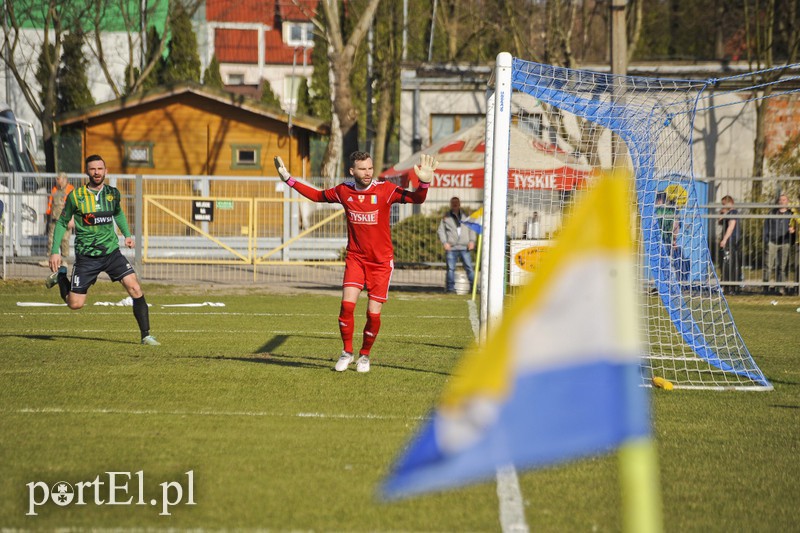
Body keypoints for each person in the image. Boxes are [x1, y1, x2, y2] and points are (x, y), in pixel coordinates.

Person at [274, 151, 436, 372]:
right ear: (352, 171)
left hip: (381, 262)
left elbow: (416, 199)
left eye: (370, 168)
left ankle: (365, 356)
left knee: (372, 313)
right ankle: (347, 352)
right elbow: (316, 195)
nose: (368, 172)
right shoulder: (344, 190)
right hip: (356, 259)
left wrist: (424, 183)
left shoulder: (385, 190)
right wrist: (288, 180)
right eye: (363, 169)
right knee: (346, 306)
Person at [46, 154, 159, 345]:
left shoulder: (112, 194)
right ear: (87, 172)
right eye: (93, 169)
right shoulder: (76, 196)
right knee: (75, 304)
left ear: (105, 171)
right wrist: (55, 251)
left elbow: (118, 213)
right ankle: (61, 277)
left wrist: (127, 235)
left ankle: (146, 335)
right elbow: (62, 222)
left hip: (112, 253)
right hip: (87, 257)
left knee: (135, 287)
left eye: (100, 169)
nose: (96, 172)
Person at [437, 196, 476, 293]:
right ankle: (450, 289)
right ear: (450, 204)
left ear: (459, 204)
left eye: (456, 203)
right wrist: (445, 242)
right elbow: (441, 230)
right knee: (450, 269)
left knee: (469, 268)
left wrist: (472, 241)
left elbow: (472, 229)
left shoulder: (466, 216)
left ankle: (474, 288)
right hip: (451, 247)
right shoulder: (446, 217)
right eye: (453, 203)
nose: (455, 204)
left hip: (465, 247)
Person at [762, 194, 796, 295]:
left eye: (784, 200)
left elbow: (795, 227)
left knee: (783, 267)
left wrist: (792, 235)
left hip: (785, 243)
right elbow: (766, 227)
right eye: (780, 200)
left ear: (787, 201)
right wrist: (767, 240)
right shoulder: (772, 213)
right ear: (778, 202)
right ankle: (766, 288)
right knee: (768, 265)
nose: (782, 201)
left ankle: (781, 288)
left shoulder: (791, 214)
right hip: (772, 242)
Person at [40, 172, 75, 267]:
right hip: (54, 219)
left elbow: (74, 206)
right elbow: (50, 203)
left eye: (58, 178)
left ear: (64, 179)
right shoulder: (54, 189)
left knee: (64, 240)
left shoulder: (70, 190)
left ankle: (64, 260)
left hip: (65, 220)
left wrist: (72, 218)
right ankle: (50, 259)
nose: (57, 180)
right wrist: (48, 214)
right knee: (51, 240)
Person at [655, 191, 688, 283]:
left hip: (656, 240)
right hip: (668, 240)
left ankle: (661, 283)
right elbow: (676, 225)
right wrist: (674, 240)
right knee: (670, 262)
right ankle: (671, 283)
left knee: (659, 263)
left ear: (659, 199)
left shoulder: (656, 210)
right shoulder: (672, 210)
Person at [718, 195, 742, 294]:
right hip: (730, 240)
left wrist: (724, 239)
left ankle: (731, 287)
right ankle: (728, 286)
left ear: (730, 202)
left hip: (731, 240)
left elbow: (731, 227)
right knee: (727, 263)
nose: (723, 206)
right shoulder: (728, 213)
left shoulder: (733, 212)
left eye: (724, 204)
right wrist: (723, 213)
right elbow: (719, 221)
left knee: (729, 263)